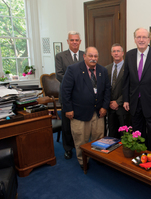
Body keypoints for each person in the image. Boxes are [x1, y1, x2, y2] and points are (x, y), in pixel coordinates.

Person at [61, 47, 110, 169]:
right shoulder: (73, 70)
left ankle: (97, 158)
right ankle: (83, 161)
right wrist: (68, 109)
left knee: (98, 138)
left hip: (98, 112)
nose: (93, 59)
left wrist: (105, 107)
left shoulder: (102, 71)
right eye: (90, 56)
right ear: (84, 56)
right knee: (81, 139)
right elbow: (65, 91)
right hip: (79, 113)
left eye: (95, 56)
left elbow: (107, 91)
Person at [123, 28, 151, 153]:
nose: (141, 40)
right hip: (134, 102)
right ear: (135, 39)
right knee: (137, 132)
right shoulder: (129, 54)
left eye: (144, 37)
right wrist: (126, 99)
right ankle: (138, 156)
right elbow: (126, 80)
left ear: (149, 39)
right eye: (138, 37)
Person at [55, 31, 84, 159]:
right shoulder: (60, 56)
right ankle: (68, 148)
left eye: (77, 40)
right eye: (72, 40)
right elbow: (59, 74)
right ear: (68, 41)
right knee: (67, 124)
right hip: (67, 95)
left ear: (80, 42)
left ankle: (81, 146)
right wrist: (76, 84)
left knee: (81, 123)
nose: (74, 42)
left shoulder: (85, 55)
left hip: (82, 96)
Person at [105, 43, 130, 138]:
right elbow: (105, 87)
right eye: (114, 51)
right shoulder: (106, 69)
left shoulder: (128, 68)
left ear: (123, 53)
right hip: (110, 108)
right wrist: (110, 102)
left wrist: (118, 102)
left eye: (118, 51)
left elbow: (130, 88)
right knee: (112, 134)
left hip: (123, 108)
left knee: (124, 136)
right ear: (111, 53)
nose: (116, 53)